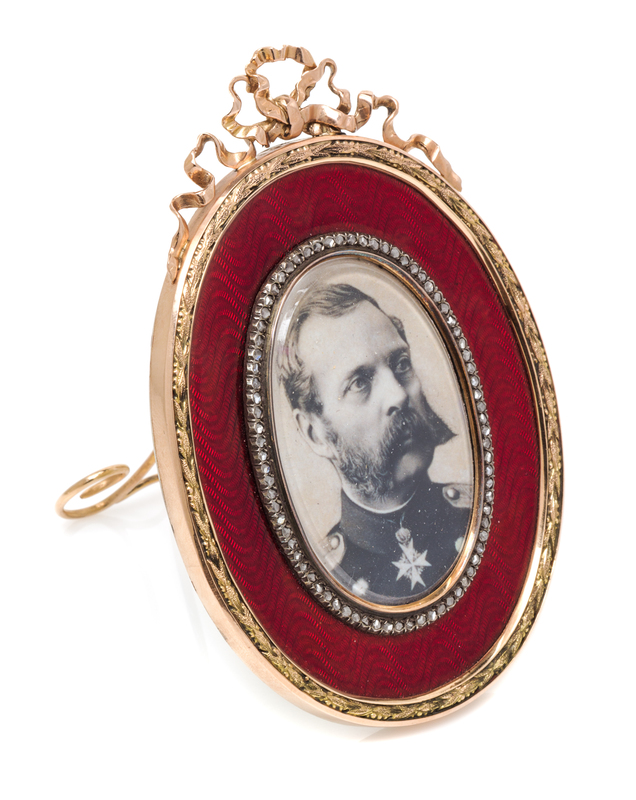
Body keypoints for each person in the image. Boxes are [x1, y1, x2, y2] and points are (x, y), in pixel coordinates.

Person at [279, 282, 471, 605]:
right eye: (359, 383)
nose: (398, 394)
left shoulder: (472, 516)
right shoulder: (325, 583)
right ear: (315, 434)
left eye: (401, 364)